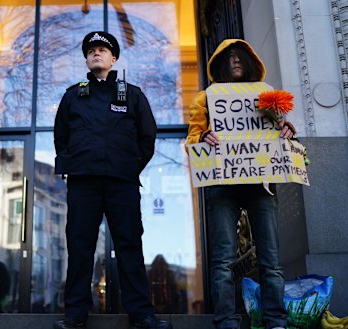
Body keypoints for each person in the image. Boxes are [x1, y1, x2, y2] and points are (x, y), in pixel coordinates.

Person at [53, 31, 171, 329]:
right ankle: (75, 315)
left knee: (129, 246)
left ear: (113, 58)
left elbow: (148, 136)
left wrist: (131, 168)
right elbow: (61, 137)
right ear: (86, 58)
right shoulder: (72, 96)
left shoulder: (132, 94)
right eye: (91, 50)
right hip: (83, 184)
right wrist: (72, 166)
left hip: (122, 183)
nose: (96, 53)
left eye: (102, 50)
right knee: (80, 248)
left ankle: (141, 314)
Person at [186, 39, 295, 329]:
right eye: (229, 57)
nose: (235, 60)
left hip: (261, 184)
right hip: (223, 184)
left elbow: (278, 133)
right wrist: (201, 138)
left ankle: (276, 322)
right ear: (220, 64)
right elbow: (191, 139)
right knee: (222, 260)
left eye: (240, 56)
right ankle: (226, 322)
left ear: (250, 62)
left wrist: (286, 130)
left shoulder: (268, 95)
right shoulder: (205, 98)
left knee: (271, 259)